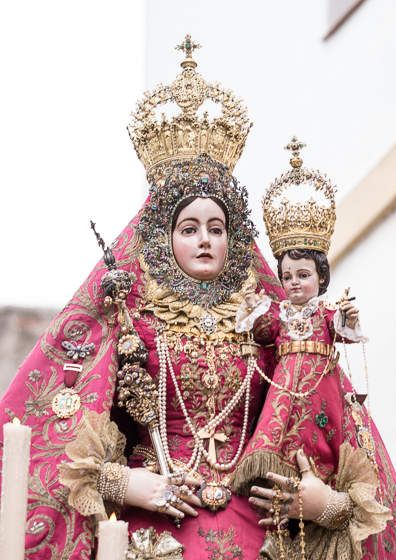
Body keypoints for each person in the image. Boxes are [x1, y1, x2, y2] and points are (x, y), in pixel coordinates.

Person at [0, 37, 286, 559]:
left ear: (235, 239)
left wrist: (314, 499)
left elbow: (305, 416)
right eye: (190, 227)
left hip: (254, 528)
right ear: (162, 237)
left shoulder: (267, 324)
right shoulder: (129, 315)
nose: (204, 239)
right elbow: (58, 428)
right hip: (154, 529)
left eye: (217, 228)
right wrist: (127, 484)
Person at [234, 139, 396, 559]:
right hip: (285, 382)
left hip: (323, 383)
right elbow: (258, 330)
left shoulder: (325, 312)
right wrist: (249, 311)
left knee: (325, 432)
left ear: (321, 278)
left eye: (304, 275)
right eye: (288, 276)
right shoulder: (280, 313)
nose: (296, 283)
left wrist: (349, 319)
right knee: (283, 433)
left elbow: (346, 330)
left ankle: (321, 484)